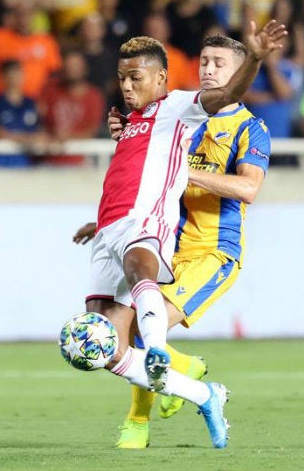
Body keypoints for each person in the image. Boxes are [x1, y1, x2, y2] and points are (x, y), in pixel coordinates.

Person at [72, 22, 286, 449]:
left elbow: (248, 189)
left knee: (145, 333)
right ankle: (184, 375)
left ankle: (138, 421)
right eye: (204, 61)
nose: (207, 69)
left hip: (211, 251)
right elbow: (150, 180)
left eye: (219, 63)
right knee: (125, 335)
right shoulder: (184, 123)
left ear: (238, 71)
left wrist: (192, 173)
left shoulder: (248, 128)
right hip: (165, 237)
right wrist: (109, 222)